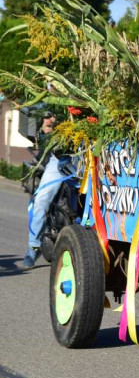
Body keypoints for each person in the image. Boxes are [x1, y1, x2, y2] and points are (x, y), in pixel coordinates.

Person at [18, 111, 66, 269]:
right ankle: (33, 247)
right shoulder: (55, 103)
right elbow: (41, 124)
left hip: (90, 158)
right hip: (61, 159)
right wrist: (46, 127)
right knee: (41, 200)